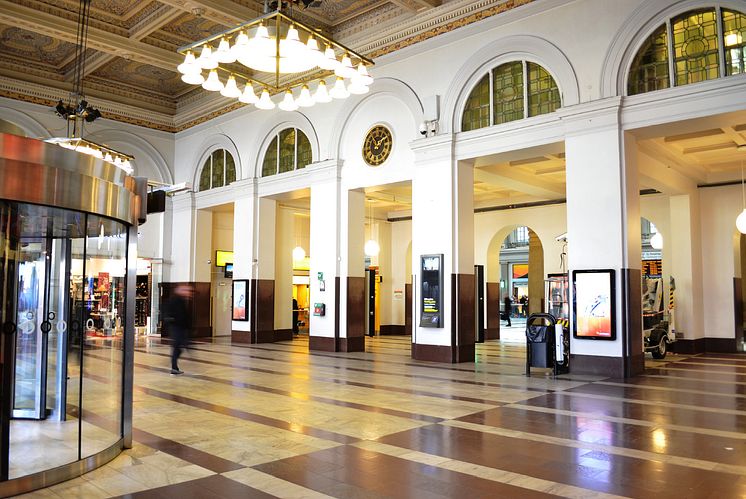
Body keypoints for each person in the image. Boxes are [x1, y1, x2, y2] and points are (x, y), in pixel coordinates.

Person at [164, 284, 191, 375]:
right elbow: (169, 313)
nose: (187, 293)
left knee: (179, 347)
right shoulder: (175, 300)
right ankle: (174, 367)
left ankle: (174, 366)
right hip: (176, 328)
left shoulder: (181, 300)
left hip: (180, 328)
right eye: (185, 290)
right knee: (178, 347)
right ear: (178, 290)